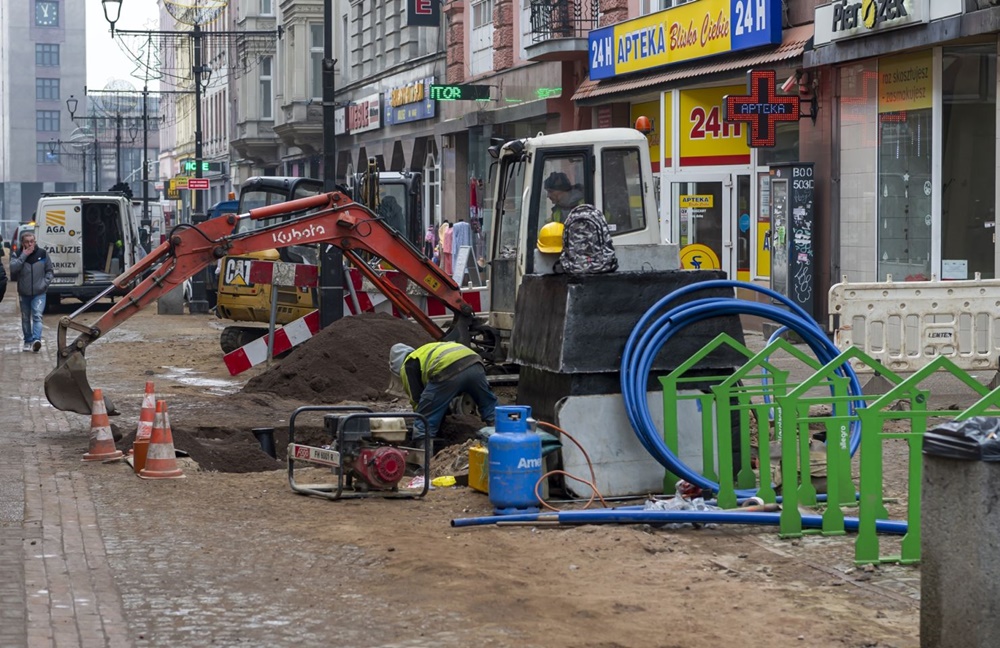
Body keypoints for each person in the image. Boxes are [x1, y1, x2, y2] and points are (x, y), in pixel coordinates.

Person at [389, 341, 497, 442]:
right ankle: (500, 436)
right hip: (474, 362)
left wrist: (426, 417)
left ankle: (423, 452)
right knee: (488, 403)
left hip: (448, 367)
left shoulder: (408, 364)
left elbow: (417, 399)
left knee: (425, 419)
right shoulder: (425, 352)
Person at [9, 231, 53, 353]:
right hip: (24, 293)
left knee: (37, 316)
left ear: (35, 241)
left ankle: (36, 340)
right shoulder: (17, 254)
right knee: (25, 318)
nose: (29, 244)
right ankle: (27, 341)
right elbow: (13, 268)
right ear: (22, 243)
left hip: (39, 292)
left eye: (32, 241)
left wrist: (45, 283)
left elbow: (49, 271)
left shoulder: (42, 254)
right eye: (27, 242)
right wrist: (23, 255)